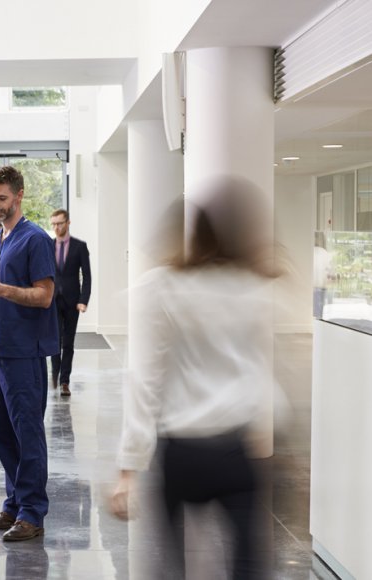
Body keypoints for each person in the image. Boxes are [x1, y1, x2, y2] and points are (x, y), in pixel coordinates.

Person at [110, 178, 279, 579]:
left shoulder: (162, 287)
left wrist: (128, 468)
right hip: (235, 448)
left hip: (183, 452)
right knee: (249, 566)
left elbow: (145, 379)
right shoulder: (251, 287)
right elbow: (259, 371)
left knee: (172, 568)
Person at [0, 165, 59, 542]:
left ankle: (33, 512)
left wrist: (7, 291)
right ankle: (15, 504)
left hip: (24, 352)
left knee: (27, 433)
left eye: (2, 198)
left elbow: (45, 295)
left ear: (19, 196)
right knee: (2, 432)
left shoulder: (35, 240)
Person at [49, 209, 91, 397]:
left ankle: (65, 381)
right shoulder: (47, 246)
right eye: (54, 224)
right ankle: (55, 376)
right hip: (52, 301)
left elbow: (87, 276)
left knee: (68, 343)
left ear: (68, 223)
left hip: (73, 301)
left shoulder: (80, 247)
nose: (57, 227)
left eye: (60, 223)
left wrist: (83, 300)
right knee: (54, 341)